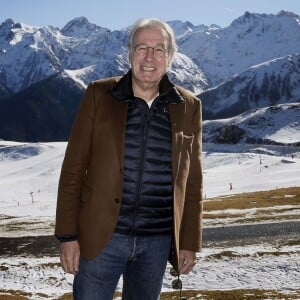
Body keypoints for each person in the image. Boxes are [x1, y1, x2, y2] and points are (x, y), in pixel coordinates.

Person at [55, 17, 203, 300]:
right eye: (141, 48)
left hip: (157, 242)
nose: (150, 57)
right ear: (129, 53)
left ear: (170, 57)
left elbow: (193, 181)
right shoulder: (99, 95)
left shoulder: (189, 106)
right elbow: (73, 169)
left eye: (159, 49)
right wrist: (67, 236)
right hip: (102, 239)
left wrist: (189, 242)